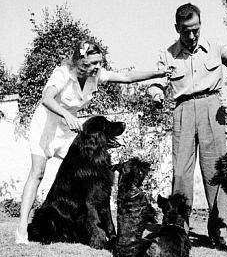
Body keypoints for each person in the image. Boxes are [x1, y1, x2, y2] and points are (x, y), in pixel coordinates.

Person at [15, 39, 172, 244]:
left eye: (100, 62)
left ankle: (81, 222)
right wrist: (67, 115)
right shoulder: (63, 73)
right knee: (38, 173)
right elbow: (46, 98)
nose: (99, 66)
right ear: (82, 61)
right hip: (46, 124)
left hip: (69, 127)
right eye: (95, 62)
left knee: (87, 171)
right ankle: (22, 229)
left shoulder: (95, 75)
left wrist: (157, 73)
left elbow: (126, 77)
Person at [148, 3, 227, 247]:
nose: (192, 35)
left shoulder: (216, 47)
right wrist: (155, 94)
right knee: (181, 173)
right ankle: (179, 228)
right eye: (186, 31)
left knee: (216, 172)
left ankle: (218, 229)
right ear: (177, 28)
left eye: (196, 29)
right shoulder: (167, 55)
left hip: (212, 109)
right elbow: (157, 82)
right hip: (183, 110)